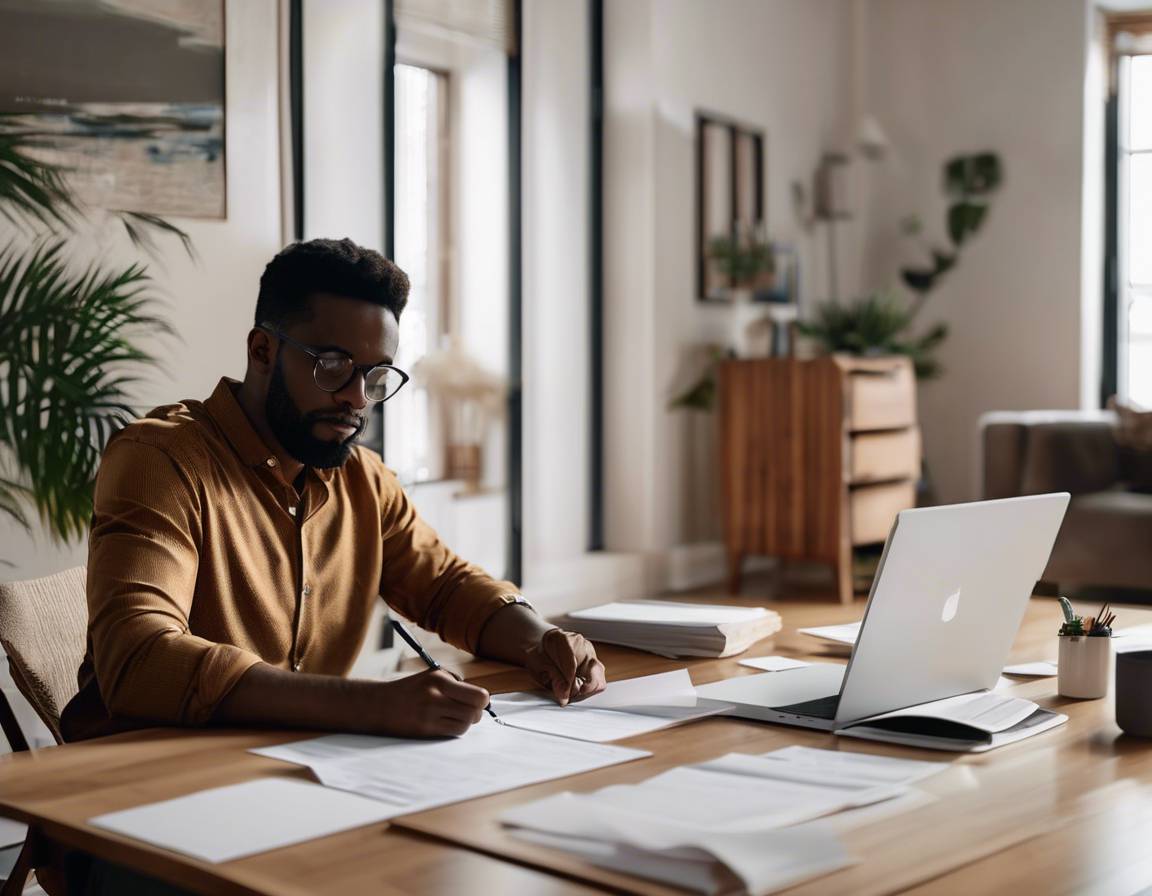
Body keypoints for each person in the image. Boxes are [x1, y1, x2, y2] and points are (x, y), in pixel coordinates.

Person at [59, 237, 607, 744]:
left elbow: (446, 587)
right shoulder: (162, 460)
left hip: (300, 771)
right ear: (262, 352)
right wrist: (368, 705)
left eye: (374, 376)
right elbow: (138, 658)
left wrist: (539, 640)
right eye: (333, 366)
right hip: (145, 783)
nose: (357, 398)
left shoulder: (362, 480)